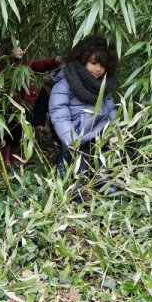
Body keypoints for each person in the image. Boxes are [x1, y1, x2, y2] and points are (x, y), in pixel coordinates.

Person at [0, 40, 60, 176]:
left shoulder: (24, 65)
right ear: (7, 49)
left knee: (18, 135)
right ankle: (5, 163)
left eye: (21, 47)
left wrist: (56, 60)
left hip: (24, 109)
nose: (20, 50)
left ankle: (13, 161)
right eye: (16, 47)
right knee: (8, 134)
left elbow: (40, 64)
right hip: (8, 108)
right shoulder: (1, 68)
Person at [48, 35, 119, 199]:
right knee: (77, 163)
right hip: (76, 134)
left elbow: (110, 110)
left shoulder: (103, 86)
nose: (98, 69)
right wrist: (70, 138)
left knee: (102, 156)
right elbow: (59, 113)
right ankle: (73, 186)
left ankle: (102, 180)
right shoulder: (66, 83)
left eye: (103, 65)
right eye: (94, 63)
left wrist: (115, 131)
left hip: (98, 132)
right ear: (82, 59)